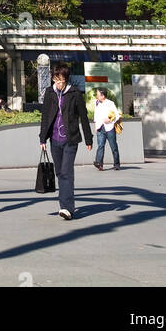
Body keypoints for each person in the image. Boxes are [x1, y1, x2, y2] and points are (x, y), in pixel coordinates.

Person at [39, 62, 93, 220]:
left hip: (70, 139)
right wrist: (43, 138)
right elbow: (45, 116)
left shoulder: (75, 93)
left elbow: (83, 117)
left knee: (66, 172)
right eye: (55, 80)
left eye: (60, 80)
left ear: (66, 79)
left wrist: (88, 139)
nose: (58, 83)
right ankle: (66, 204)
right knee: (59, 172)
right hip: (54, 139)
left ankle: (66, 207)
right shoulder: (50, 93)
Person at [92, 87, 122, 170]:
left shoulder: (110, 103)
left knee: (113, 146)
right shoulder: (97, 103)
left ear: (103, 96)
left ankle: (117, 164)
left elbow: (117, 115)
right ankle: (99, 163)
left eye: (98, 94)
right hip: (100, 127)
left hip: (109, 127)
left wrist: (109, 120)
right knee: (100, 145)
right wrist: (95, 125)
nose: (96, 96)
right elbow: (96, 115)